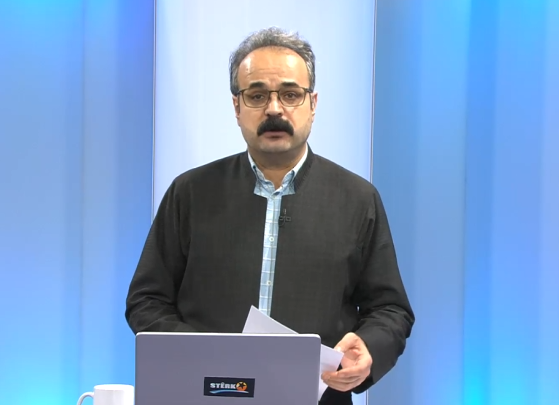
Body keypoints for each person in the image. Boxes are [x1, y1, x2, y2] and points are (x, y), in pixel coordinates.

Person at [125, 26, 415, 405]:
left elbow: (390, 309)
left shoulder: (358, 199)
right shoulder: (191, 192)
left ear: (313, 104)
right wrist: (200, 355)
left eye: (290, 95)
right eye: (257, 95)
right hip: (205, 396)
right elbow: (146, 300)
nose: (274, 109)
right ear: (237, 107)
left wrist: (369, 347)